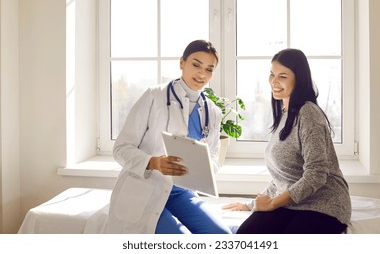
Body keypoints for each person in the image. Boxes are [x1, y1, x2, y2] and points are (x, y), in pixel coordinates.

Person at [105, 40, 232, 234]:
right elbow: (121, 148)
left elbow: (214, 158)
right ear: (182, 63)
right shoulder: (154, 96)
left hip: (182, 192)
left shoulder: (212, 111)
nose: (202, 74)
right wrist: (153, 162)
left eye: (209, 69)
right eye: (196, 64)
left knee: (222, 236)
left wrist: (203, 170)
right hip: (145, 187)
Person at [223, 48, 351, 234]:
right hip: (291, 202)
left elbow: (316, 174)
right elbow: (282, 177)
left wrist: (273, 203)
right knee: (246, 236)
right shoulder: (284, 114)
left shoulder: (308, 114)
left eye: (282, 76)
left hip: (323, 203)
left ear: (298, 79)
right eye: (272, 74)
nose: (274, 81)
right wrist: (252, 204)